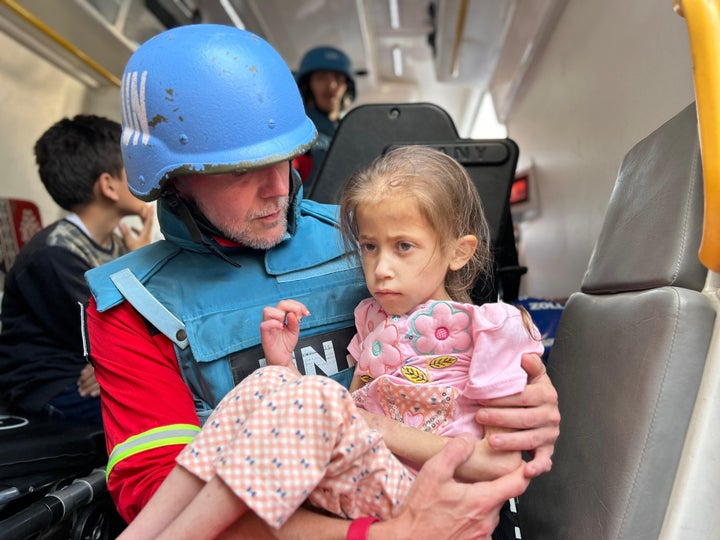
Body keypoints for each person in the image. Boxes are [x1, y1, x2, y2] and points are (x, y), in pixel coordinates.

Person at [83, 24, 559, 538]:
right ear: (170, 177)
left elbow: (472, 374)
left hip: (422, 491)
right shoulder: (134, 304)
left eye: (284, 158)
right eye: (240, 171)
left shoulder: (375, 233)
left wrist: (533, 408)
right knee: (281, 385)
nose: (276, 188)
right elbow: (156, 491)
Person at [114, 146, 546, 539]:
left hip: (437, 503)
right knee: (266, 385)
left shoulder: (495, 327)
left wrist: (378, 429)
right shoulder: (371, 318)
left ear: (459, 251)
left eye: (404, 247)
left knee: (316, 395)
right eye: (371, 247)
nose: (381, 269)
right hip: (368, 488)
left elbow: (501, 463)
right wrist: (283, 370)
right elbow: (351, 410)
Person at [0, 114, 153, 425]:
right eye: (130, 169)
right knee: (162, 410)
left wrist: (139, 260)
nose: (141, 176)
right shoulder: (56, 253)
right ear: (108, 186)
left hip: (89, 370)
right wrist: (111, 361)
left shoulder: (118, 244)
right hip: (50, 387)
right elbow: (111, 332)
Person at [292, 45, 357, 187]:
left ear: (347, 86)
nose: (331, 85)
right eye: (321, 78)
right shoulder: (295, 132)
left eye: (338, 78)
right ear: (307, 85)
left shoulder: (353, 131)